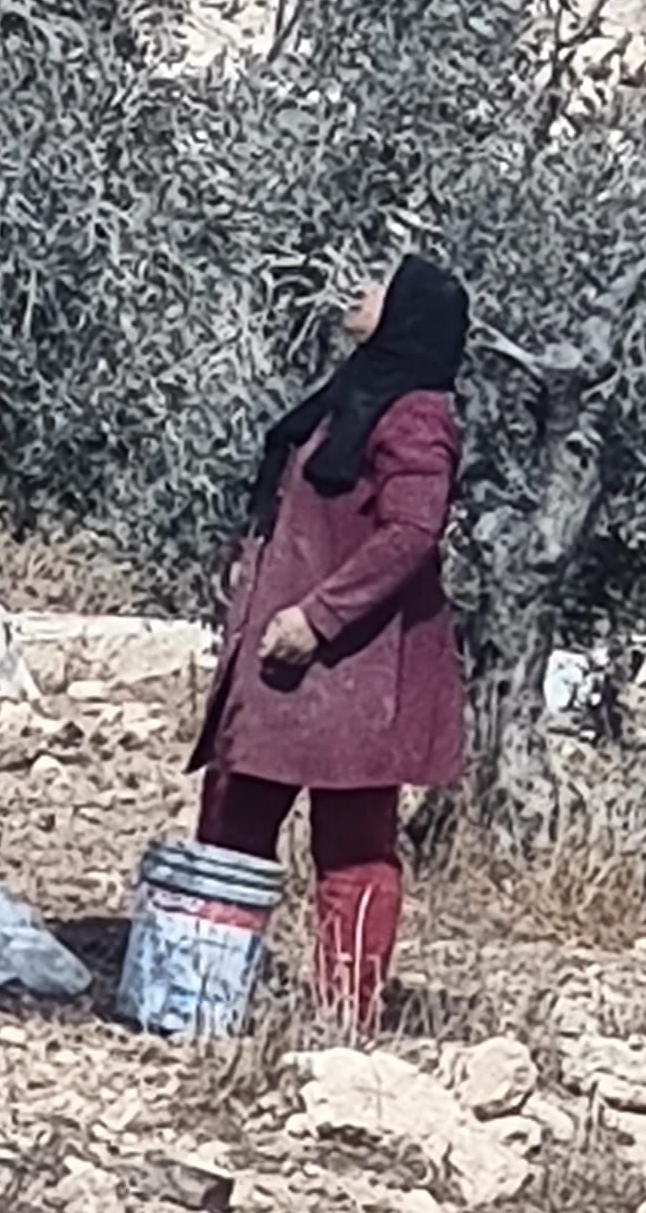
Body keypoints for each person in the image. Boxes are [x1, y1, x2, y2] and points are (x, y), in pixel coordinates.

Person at [189, 252, 469, 1032]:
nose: (363, 289)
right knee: (231, 821)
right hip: (291, 668)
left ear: (407, 313)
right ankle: (204, 997)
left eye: (384, 284)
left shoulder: (414, 414)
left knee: (351, 848)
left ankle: (345, 1018)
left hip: (352, 669)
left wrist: (319, 616)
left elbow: (412, 530)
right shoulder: (353, 395)